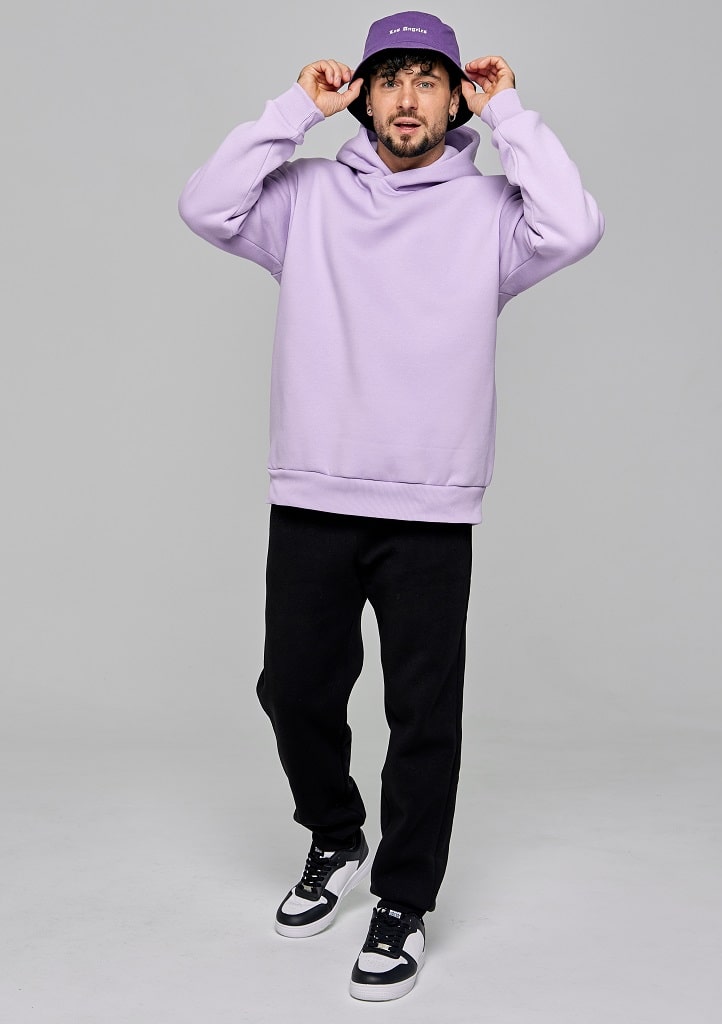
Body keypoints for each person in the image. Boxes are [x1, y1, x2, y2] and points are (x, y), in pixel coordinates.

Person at [178, 9, 604, 1002]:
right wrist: (292, 109)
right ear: (361, 97)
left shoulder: (493, 214)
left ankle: (403, 899)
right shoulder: (306, 197)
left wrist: (512, 113)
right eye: (389, 79)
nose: (407, 97)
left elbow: (574, 226)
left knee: (422, 717)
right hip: (313, 491)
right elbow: (205, 206)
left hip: (431, 508)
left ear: (457, 101)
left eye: (428, 80)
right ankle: (335, 835)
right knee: (294, 689)